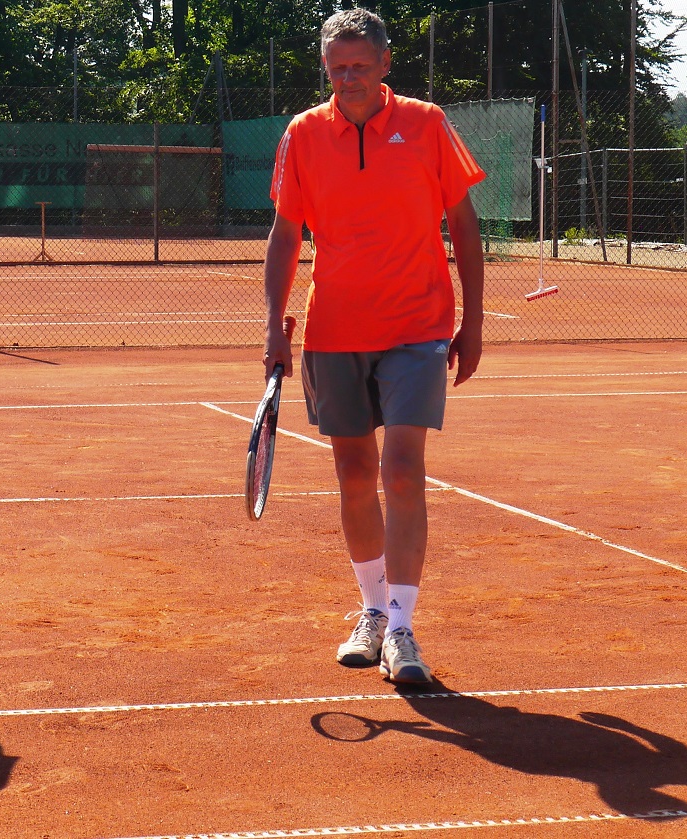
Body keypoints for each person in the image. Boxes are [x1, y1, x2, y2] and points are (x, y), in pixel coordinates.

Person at [262, 10, 485, 684]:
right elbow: (284, 234)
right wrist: (272, 322)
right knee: (355, 475)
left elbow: (464, 227)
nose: (349, 78)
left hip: (417, 327)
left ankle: (404, 628)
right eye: (337, 68)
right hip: (332, 330)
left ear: (386, 64)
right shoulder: (303, 134)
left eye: (360, 65)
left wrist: (473, 322)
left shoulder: (426, 123)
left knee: (403, 471)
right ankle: (371, 612)